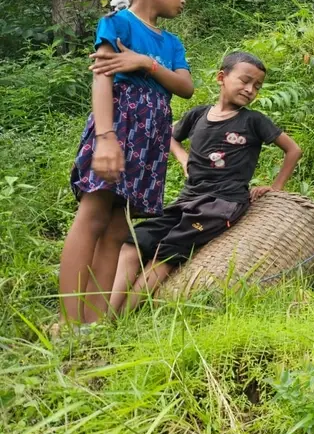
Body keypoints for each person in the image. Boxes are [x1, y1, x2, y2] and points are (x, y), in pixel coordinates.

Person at [109, 51, 303, 315]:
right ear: (221, 77)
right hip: (187, 201)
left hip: (221, 204)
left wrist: (276, 187)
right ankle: (105, 315)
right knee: (134, 242)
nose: (250, 89)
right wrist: (182, 157)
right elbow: (168, 136)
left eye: (257, 86)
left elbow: (293, 150)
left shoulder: (253, 120)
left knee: (165, 253)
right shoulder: (197, 115)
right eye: (245, 81)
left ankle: (116, 320)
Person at [60, 0, 194, 325]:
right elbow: (102, 78)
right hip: (119, 129)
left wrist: (144, 63)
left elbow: (185, 86)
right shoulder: (117, 24)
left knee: (119, 229)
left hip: (150, 140)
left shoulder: (171, 44)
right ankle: (70, 323)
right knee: (94, 214)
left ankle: (95, 323)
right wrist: (105, 138)